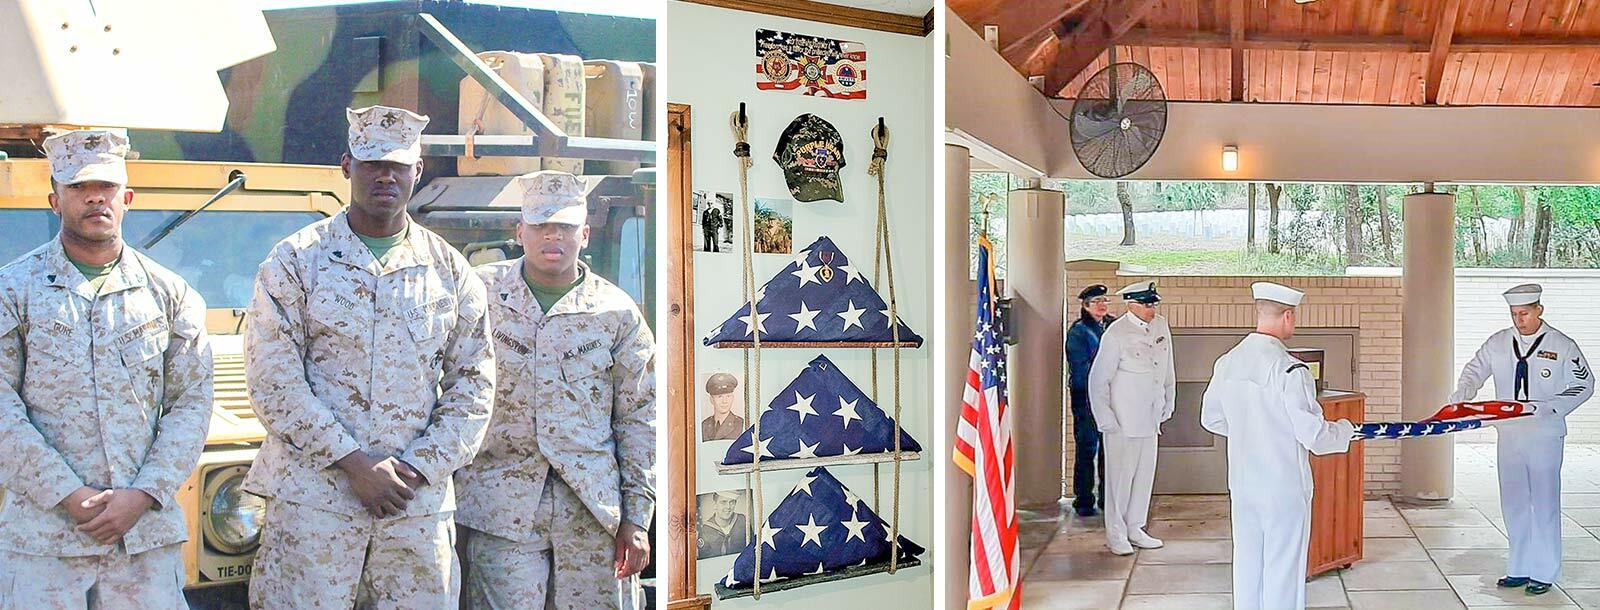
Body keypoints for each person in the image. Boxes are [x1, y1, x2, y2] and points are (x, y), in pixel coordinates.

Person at [243, 105, 496, 609]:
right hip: (313, 507)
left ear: (417, 172)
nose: (385, 175)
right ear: (346, 167)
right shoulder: (295, 261)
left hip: (413, 513)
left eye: (398, 165)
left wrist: (418, 469)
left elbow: (475, 387)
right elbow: (274, 379)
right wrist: (353, 464)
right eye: (371, 163)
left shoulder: (449, 271)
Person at [0, 129, 213, 608]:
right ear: (54, 200)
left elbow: (191, 405)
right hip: (43, 541)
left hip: (143, 540)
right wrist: (67, 494)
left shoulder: (170, 295)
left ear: (128, 198)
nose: (95, 196)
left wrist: (143, 495)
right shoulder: (12, 292)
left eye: (107, 187)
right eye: (77, 187)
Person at [455, 170, 656, 610]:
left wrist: (637, 518)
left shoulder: (615, 313)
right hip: (501, 509)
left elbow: (640, 419)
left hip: (592, 511)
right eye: (542, 225)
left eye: (564, 226)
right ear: (519, 231)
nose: (553, 236)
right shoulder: (479, 294)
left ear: (584, 234)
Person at [1201, 282, 1355, 610]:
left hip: (1244, 485)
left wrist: (1250, 432)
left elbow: (1211, 419)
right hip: (1283, 486)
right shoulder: (1290, 369)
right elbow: (1314, 435)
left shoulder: (1227, 362)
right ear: (1288, 316)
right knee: (1283, 570)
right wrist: (1345, 431)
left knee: (1247, 563)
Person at [1449, 283, 1592, 595]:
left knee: (1544, 503)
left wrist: (1549, 407)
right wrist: (1461, 397)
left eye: (1524, 313)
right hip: (1510, 435)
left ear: (1539, 309)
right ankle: (1519, 566)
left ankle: (1544, 571)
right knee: (1513, 502)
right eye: (1514, 314)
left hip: (1544, 434)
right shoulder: (1499, 343)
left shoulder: (1562, 344)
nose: (1519, 319)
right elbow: (1474, 371)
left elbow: (1584, 384)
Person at [1088, 280, 1175, 555]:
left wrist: (1169, 399)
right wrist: (1106, 419)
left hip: (1150, 417)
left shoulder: (1160, 326)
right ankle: (1116, 534)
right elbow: (1098, 380)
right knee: (1120, 479)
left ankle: (1136, 526)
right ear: (1131, 304)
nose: (1153, 308)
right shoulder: (1116, 334)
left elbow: (1166, 367)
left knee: (1144, 475)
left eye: (1154, 303)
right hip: (1123, 420)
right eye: (1147, 304)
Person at [1066, 283, 1112, 517]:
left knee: (1109, 448)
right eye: (1096, 302)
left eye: (1105, 301)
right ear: (1086, 306)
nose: (1102, 305)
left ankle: (1107, 497)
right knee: (1086, 447)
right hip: (1085, 398)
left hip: (1111, 396)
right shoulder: (1079, 331)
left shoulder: (1113, 326)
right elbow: (1081, 367)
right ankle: (1083, 499)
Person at [696, 491, 749, 558]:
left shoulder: (742, 520)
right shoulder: (705, 531)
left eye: (732, 502)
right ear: (715, 504)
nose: (728, 507)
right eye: (723, 502)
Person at [701, 372, 745, 441]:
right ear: (711, 400)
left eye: (728, 396)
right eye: (719, 397)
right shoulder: (704, 425)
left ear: (732, 398)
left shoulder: (741, 424)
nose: (725, 401)